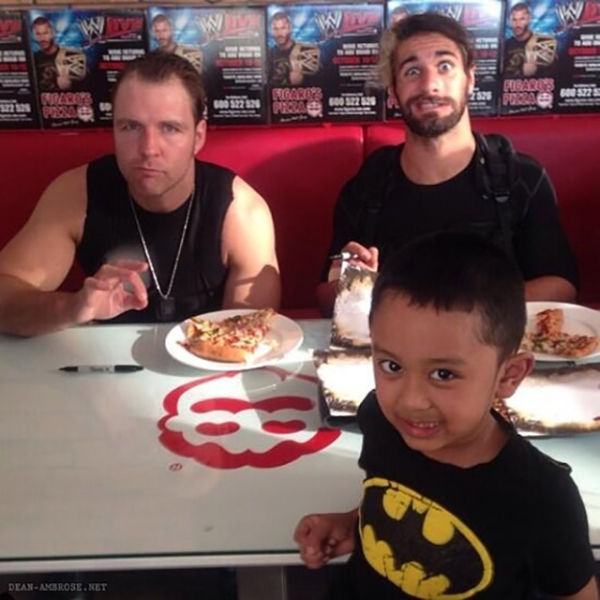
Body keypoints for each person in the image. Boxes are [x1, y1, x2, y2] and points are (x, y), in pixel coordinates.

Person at [296, 232, 598, 599]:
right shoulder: (382, 420)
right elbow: (396, 494)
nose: (411, 400)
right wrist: (352, 522)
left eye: (443, 374)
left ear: (509, 375)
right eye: (391, 365)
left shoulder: (543, 498)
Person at [0, 51, 280, 336]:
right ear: (114, 130)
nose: (148, 148)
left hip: (206, 371)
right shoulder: (77, 194)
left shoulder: (242, 213)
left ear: (198, 137)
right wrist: (74, 307)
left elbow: (249, 338)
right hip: (104, 368)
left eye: (170, 128)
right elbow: (4, 295)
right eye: (131, 127)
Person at [317, 12, 577, 316]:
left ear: (470, 79)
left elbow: (561, 288)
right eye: (412, 71)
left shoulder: (520, 177)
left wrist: (449, 309)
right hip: (396, 355)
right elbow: (325, 297)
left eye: (445, 66)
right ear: (393, 91)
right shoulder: (367, 186)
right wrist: (351, 286)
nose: (430, 86)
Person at [31, 16, 86, 91]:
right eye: (38, 34)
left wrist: (69, 85)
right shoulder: (33, 59)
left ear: (53, 33)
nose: (42, 38)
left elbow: (85, 86)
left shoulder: (71, 56)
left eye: (45, 33)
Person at [503, 2, 557, 78]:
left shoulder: (543, 43)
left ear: (529, 20)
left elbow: (553, 77)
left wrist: (534, 73)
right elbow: (500, 76)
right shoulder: (505, 45)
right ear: (510, 22)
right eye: (514, 20)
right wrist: (522, 73)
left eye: (522, 19)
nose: (517, 24)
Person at [268, 11, 319, 86]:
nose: (279, 33)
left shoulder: (305, 51)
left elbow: (317, 84)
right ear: (272, 31)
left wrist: (301, 81)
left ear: (290, 29)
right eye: (276, 29)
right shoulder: (269, 53)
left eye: (283, 28)